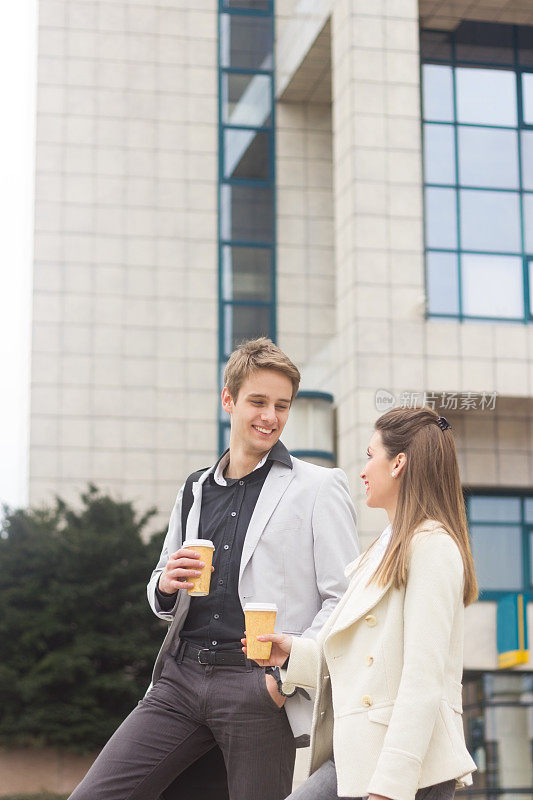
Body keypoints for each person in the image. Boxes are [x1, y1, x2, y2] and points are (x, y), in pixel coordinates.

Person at [68, 337, 359, 800]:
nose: (270, 417)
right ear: (229, 400)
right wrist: (164, 585)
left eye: (282, 405)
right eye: (257, 401)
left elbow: (345, 597)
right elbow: (163, 581)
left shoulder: (319, 487)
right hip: (179, 679)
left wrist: (282, 680)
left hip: (257, 686)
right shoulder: (195, 489)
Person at [244, 406, 478, 800]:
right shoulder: (383, 548)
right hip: (357, 756)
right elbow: (369, 662)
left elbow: (423, 679)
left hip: (405, 766)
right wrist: (294, 655)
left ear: (399, 463)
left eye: (371, 455)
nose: (363, 470)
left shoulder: (433, 546)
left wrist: (391, 787)